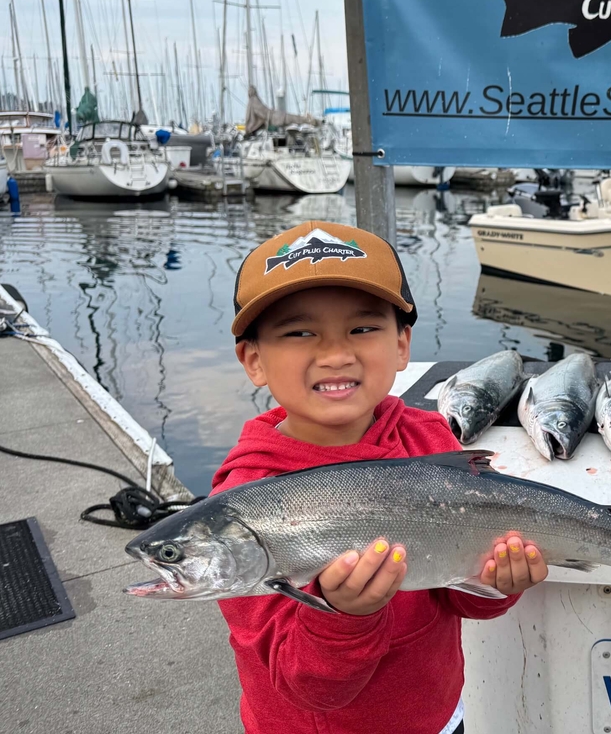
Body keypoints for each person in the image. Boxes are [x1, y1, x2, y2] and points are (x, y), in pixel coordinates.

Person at [213, 220, 548, 734]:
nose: (335, 354)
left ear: (400, 345)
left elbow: (457, 597)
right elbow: (306, 686)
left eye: (363, 328)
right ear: (253, 359)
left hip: (437, 716)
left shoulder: (429, 436)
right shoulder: (244, 502)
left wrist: (495, 581)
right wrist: (342, 615)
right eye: (299, 332)